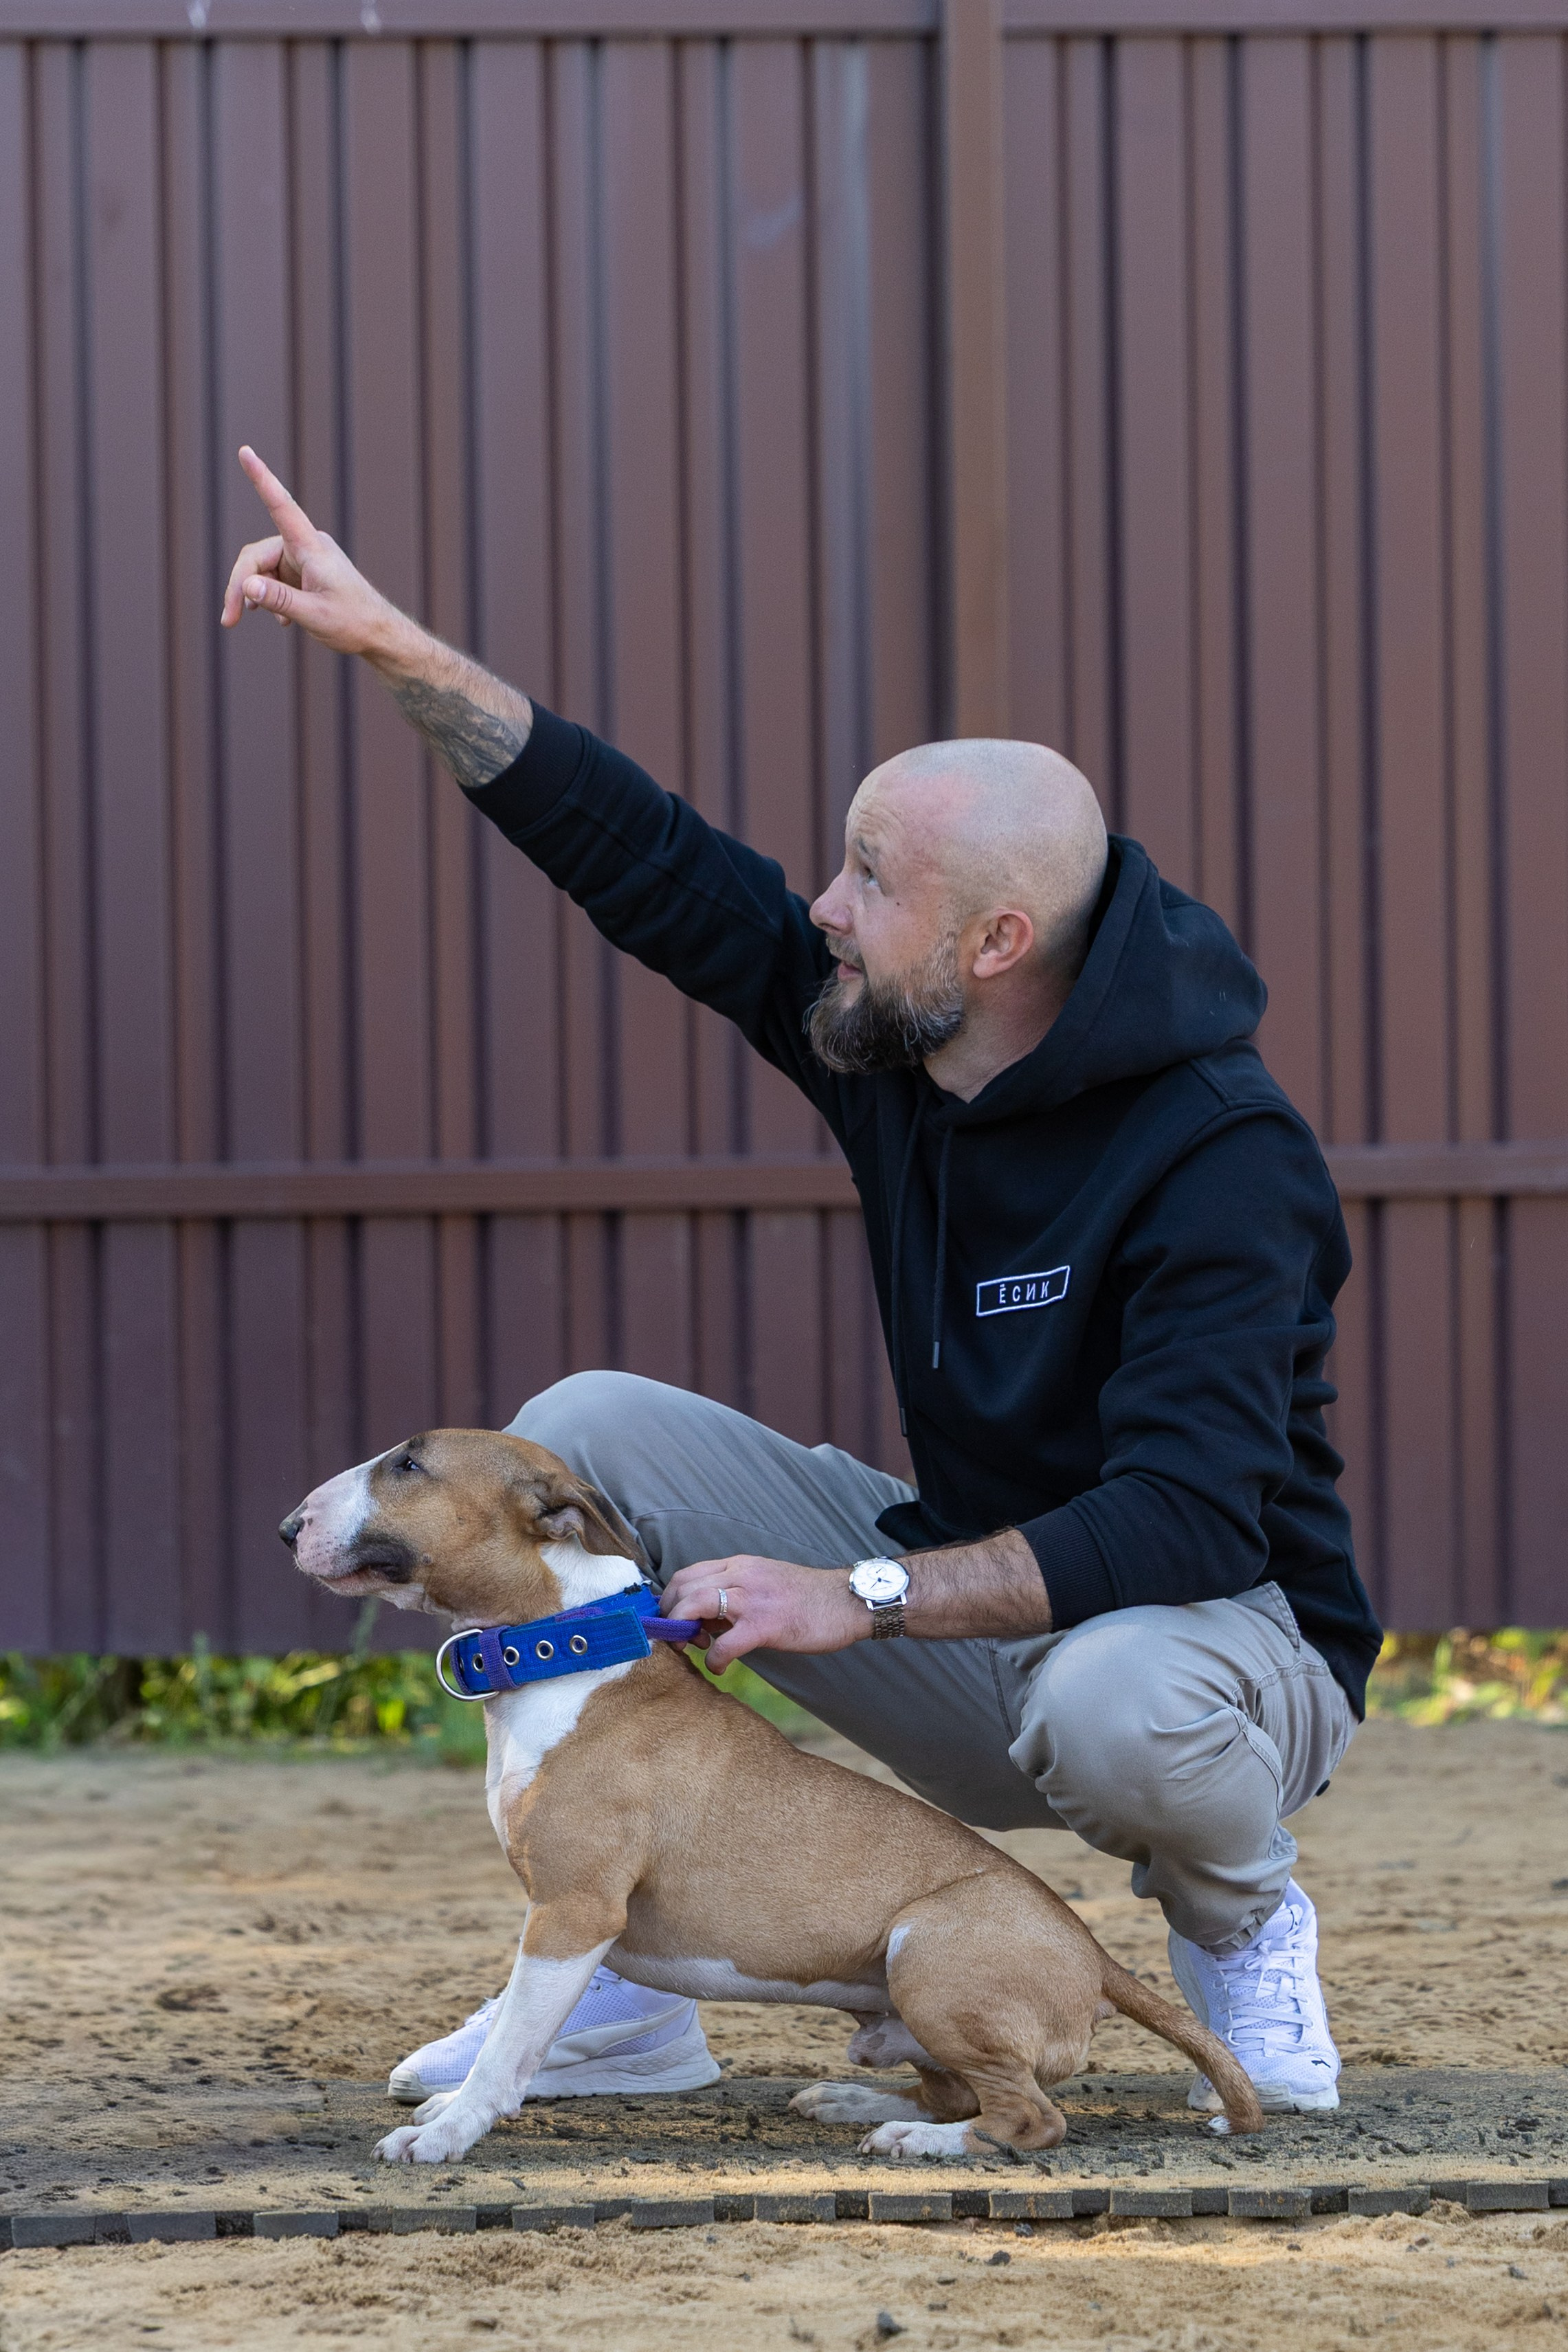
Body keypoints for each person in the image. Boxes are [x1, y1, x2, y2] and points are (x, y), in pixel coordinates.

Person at [223, 447, 1380, 2118]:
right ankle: (624, 1980)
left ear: (992, 943)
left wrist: (868, 1595)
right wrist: (405, 654)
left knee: (1119, 1696)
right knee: (585, 1425)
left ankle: (1238, 1922)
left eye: (867, 880)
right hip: (973, 1616)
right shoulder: (893, 1034)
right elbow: (657, 867)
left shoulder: (1221, 1152)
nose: (821, 908)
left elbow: (1192, 1518)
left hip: (1212, 1653)